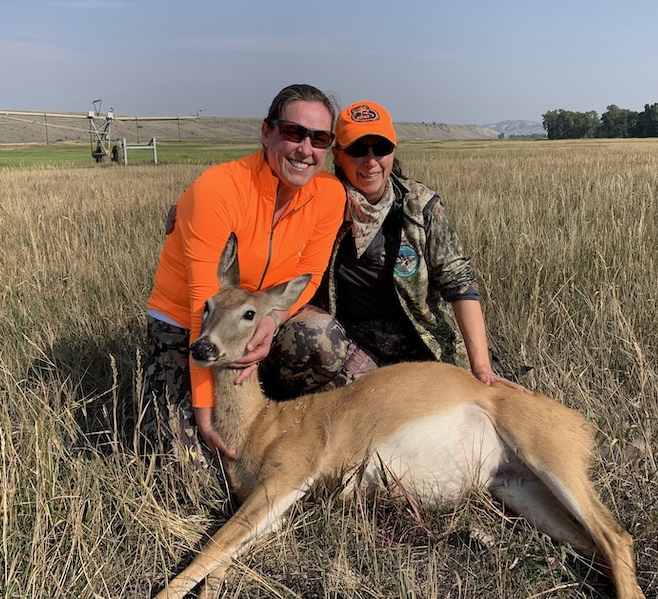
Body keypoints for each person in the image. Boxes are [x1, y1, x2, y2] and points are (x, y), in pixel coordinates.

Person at [259, 100, 529, 399]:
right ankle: (278, 403)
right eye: (358, 150)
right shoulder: (317, 202)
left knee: (456, 408)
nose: (370, 161)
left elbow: (460, 284)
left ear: (393, 151)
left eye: (381, 148)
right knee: (341, 410)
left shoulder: (421, 205)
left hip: (419, 339)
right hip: (351, 342)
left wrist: (481, 368)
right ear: (338, 155)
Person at [142, 84, 346, 460]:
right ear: (266, 132)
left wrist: (275, 317)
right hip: (190, 324)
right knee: (183, 465)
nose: (306, 149)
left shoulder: (330, 196)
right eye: (292, 133)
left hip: (254, 318)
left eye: (319, 139)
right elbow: (201, 309)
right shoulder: (218, 190)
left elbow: (310, 274)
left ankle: (268, 400)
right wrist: (206, 419)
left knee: (324, 340)